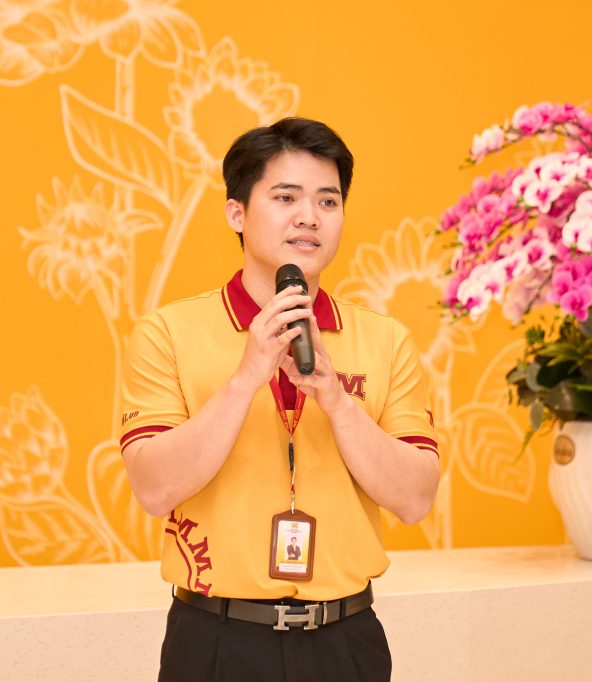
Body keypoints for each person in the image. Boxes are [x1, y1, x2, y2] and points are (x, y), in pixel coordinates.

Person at [120, 117, 440, 682]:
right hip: (216, 640)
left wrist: (337, 402)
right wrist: (246, 377)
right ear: (236, 213)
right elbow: (154, 487)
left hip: (347, 639)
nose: (309, 216)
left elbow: (415, 499)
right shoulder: (167, 333)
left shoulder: (386, 340)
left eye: (328, 201)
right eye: (286, 197)